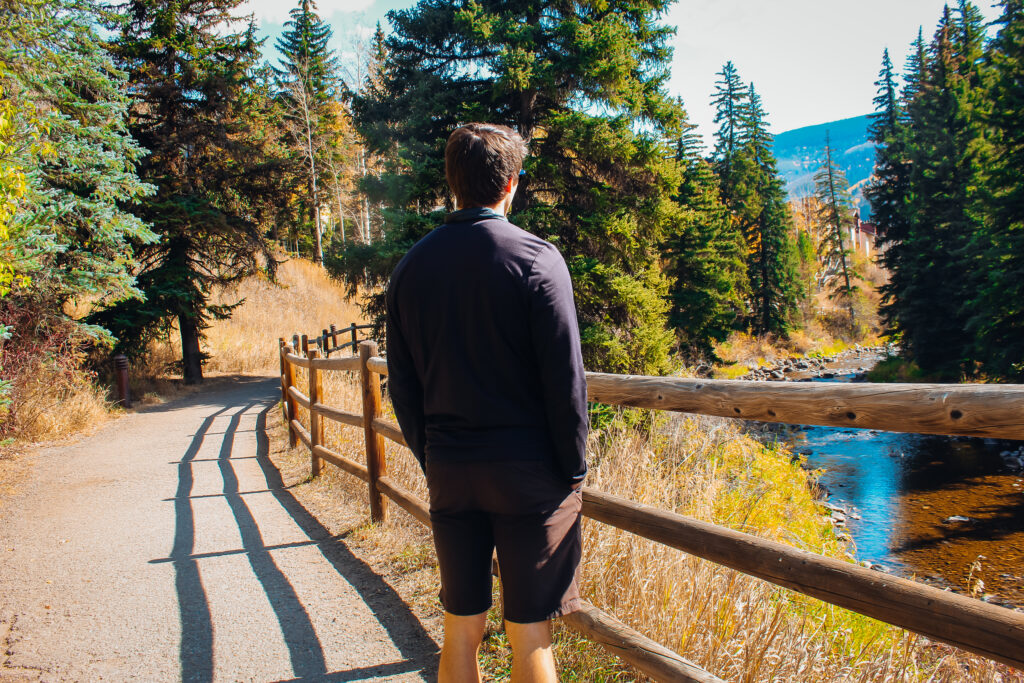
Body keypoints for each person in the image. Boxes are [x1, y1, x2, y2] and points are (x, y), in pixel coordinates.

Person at [385, 122, 589, 683]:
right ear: (512, 184)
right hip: (528, 475)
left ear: (453, 183)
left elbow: (402, 386)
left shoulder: (411, 268)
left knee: (460, 627)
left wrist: (433, 458)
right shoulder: (537, 260)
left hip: (451, 468)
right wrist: (572, 468)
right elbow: (565, 382)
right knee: (530, 633)